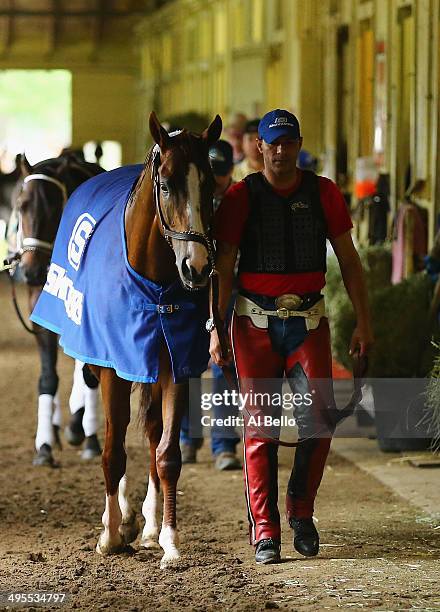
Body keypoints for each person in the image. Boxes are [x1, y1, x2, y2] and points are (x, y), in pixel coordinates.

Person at [208, 109, 373, 564]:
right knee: (260, 429)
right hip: (252, 325)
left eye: (289, 142)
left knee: (319, 423)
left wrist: (364, 321)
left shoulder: (324, 194)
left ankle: (301, 511)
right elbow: (223, 267)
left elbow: (350, 260)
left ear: (299, 144)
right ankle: (265, 530)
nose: (281, 151)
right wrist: (215, 328)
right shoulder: (241, 197)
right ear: (259, 147)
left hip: (309, 323)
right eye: (272, 143)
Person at [180, 140, 241, 470]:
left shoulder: (238, 200)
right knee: (190, 362)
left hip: (226, 288)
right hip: (193, 288)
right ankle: (188, 437)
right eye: (212, 173)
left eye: (220, 173)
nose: (216, 179)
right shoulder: (194, 197)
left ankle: (224, 443)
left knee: (224, 364)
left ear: (230, 170)